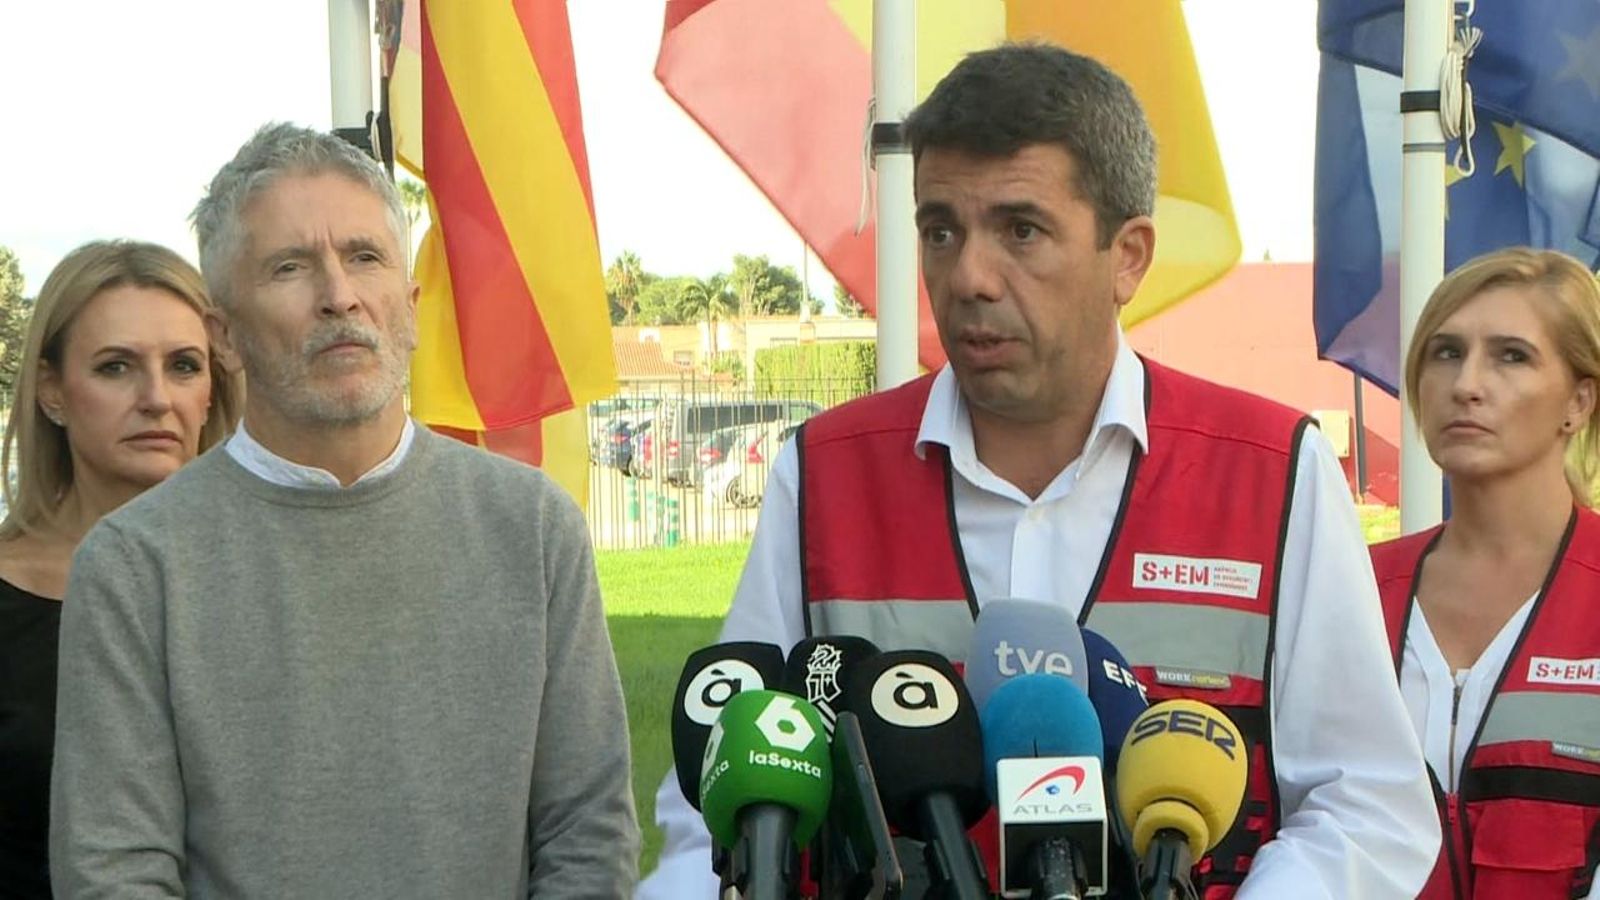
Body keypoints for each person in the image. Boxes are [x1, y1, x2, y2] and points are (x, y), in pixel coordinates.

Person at [640, 42, 1437, 899]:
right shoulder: (823, 475)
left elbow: (1367, 802)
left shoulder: (1274, 473)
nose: (970, 276)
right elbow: (716, 793)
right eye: (941, 230)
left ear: (1128, 254)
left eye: (1021, 230)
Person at [49, 123, 639, 898]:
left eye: (365, 256)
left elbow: (588, 834)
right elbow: (113, 868)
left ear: (412, 304)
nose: (339, 295)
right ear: (224, 337)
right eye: (290, 267)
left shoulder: (531, 529)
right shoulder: (137, 564)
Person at [0, 240, 240, 897]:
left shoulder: (271, 585)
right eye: (115, 367)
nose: (157, 398)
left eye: (185, 365)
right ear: (51, 389)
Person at [1371, 248, 1600, 899]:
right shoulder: (1350, 588)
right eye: (1445, 352)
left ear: (1578, 401)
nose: (1467, 383)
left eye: (1511, 356)